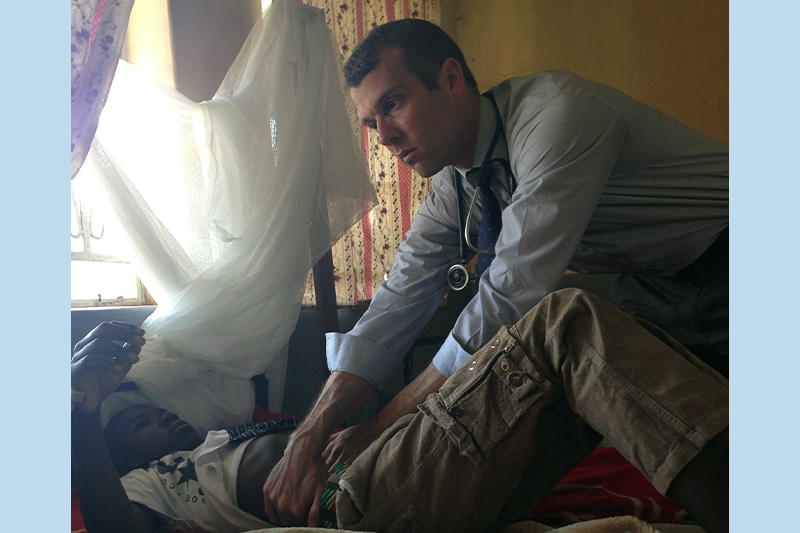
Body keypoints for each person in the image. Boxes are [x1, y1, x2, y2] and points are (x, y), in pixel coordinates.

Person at [263, 18, 728, 528]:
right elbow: (396, 303)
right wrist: (312, 431)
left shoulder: (557, 115)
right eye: (372, 123)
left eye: (393, 104)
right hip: (650, 279)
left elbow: (511, 297)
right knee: (558, 389)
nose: (386, 138)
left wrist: (382, 425)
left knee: (565, 331)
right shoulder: (454, 190)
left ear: (451, 78)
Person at [73, 290, 729, 533]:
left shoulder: (224, 434)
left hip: (393, 465)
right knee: (567, 322)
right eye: (139, 427)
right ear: (123, 454)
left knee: (593, 368)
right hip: (350, 498)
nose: (161, 423)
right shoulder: (142, 488)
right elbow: (108, 523)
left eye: (156, 414)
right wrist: (80, 410)